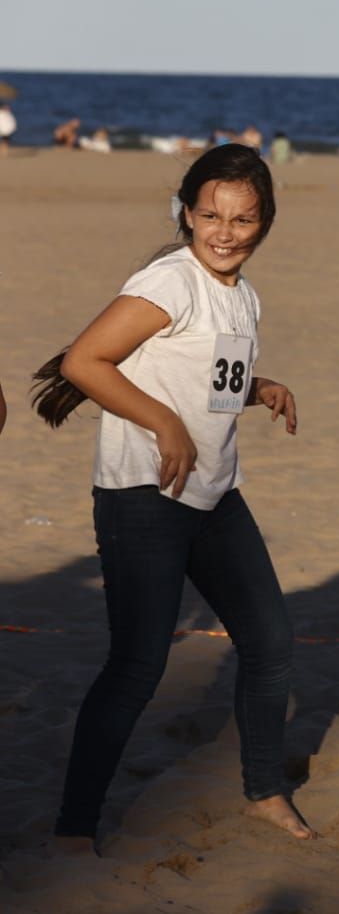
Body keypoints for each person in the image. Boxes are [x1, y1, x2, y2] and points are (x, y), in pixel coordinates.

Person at [28, 143, 312, 851]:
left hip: (213, 495)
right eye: (210, 214)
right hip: (143, 497)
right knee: (137, 666)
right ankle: (72, 830)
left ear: (265, 222)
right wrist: (162, 423)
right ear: (187, 213)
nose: (225, 230)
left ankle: (264, 792)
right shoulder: (170, 281)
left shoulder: (242, 296)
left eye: (243, 218)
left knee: (271, 644)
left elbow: (209, 384)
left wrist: (257, 387)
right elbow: (82, 362)